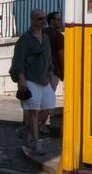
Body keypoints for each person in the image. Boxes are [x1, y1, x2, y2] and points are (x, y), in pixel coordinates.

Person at [10, 9, 57, 157]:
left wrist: (50, 72)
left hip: (44, 79)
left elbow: (48, 56)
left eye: (44, 18)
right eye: (39, 18)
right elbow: (18, 59)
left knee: (49, 107)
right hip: (30, 79)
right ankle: (36, 143)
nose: (43, 20)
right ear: (32, 20)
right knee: (34, 112)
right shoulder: (24, 39)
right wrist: (21, 78)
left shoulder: (46, 37)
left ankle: (25, 130)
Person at [43, 11, 65, 136]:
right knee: (49, 98)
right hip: (53, 70)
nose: (59, 21)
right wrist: (63, 70)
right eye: (57, 19)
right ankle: (41, 125)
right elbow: (61, 54)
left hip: (42, 70)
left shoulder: (42, 33)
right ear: (51, 20)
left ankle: (37, 125)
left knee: (42, 97)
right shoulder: (58, 36)